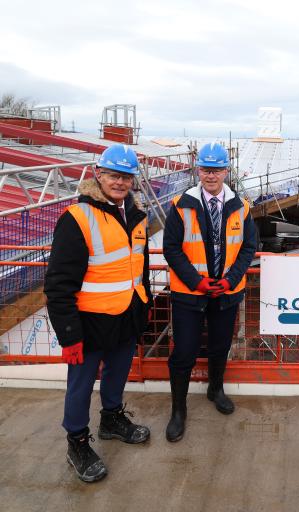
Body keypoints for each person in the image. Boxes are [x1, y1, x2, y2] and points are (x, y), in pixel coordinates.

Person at [45, 144, 152, 483]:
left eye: (126, 177)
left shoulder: (135, 214)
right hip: (89, 321)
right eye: (113, 175)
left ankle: (112, 419)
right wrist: (69, 334)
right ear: (98, 175)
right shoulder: (77, 218)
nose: (120, 182)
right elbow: (58, 283)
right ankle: (77, 441)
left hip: (125, 314)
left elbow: (140, 267)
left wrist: (143, 305)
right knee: (79, 387)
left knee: (118, 372)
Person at [163, 142, 258, 442]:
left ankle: (215, 389)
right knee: (185, 353)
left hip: (226, 293)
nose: (211, 176)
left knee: (219, 347)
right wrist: (197, 282)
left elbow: (248, 247)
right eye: (206, 169)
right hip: (190, 295)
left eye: (216, 170)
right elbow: (172, 249)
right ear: (198, 170)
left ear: (226, 171)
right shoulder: (181, 204)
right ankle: (178, 410)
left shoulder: (241, 207)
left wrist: (230, 280)